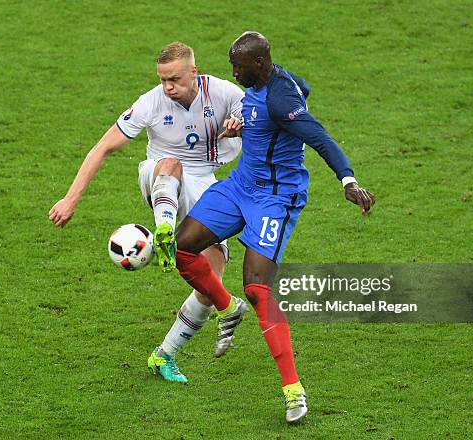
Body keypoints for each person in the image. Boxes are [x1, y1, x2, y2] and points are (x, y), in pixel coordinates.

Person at [174, 32, 375, 423]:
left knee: (257, 288)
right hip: (240, 185)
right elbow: (305, 86)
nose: (234, 72)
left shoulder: (281, 100)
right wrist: (244, 126)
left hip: (275, 199)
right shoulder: (272, 83)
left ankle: (293, 391)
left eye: (240, 66)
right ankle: (226, 307)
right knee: (182, 246)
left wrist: (348, 181)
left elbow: (319, 138)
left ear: (261, 64)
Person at [48, 42, 246, 383]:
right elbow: (103, 147)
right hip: (158, 176)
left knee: (211, 281)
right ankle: (165, 231)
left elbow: (253, 111)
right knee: (170, 164)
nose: (168, 87)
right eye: (163, 79)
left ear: (193, 73)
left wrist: (239, 122)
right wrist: (70, 198)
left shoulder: (224, 92)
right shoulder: (150, 102)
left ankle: (163, 355)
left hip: (204, 180)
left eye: (174, 79)